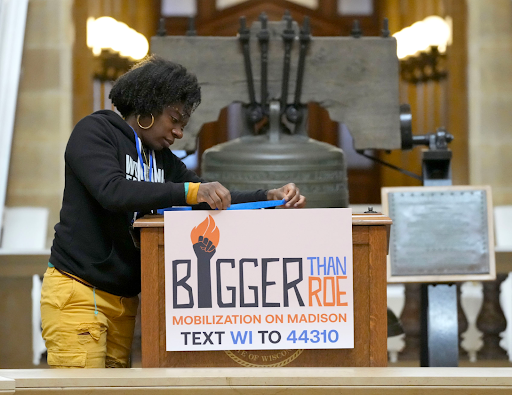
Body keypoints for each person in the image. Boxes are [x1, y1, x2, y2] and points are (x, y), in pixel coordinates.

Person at [40, 55, 306, 369]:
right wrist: (189, 191)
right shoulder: (95, 132)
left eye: (183, 125)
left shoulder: (160, 158)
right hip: (79, 292)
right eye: (174, 119)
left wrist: (268, 198)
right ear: (148, 108)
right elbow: (112, 191)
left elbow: (206, 195)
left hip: (124, 300)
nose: (179, 132)